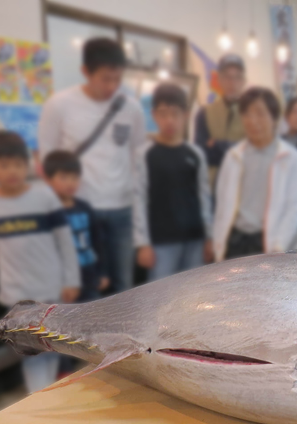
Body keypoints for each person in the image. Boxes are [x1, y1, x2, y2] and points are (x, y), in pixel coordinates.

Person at [38, 37, 147, 294]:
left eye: (117, 79)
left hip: (122, 209)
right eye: (105, 78)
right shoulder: (59, 105)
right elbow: (48, 160)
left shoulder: (131, 108)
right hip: (79, 211)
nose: (112, 86)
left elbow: (137, 157)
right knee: (86, 288)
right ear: (85, 71)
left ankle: (123, 334)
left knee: (124, 286)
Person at [0, 131, 79, 393]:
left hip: (49, 289)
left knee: (51, 346)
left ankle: (48, 392)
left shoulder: (44, 197)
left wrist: (71, 279)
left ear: (28, 164)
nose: (12, 171)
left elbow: (65, 241)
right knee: (29, 350)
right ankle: (39, 395)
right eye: (4, 165)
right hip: (15, 294)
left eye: (18, 164)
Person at [213, 87, 297, 261]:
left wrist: (278, 246)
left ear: (274, 118)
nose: (253, 121)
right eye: (247, 114)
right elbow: (222, 205)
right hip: (234, 240)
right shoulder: (233, 156)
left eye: (260, 114)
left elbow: (293, 208)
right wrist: (218, 244)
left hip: (266, 242)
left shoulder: (291, 158)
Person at [134, 83, 213, 282]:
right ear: (153, 115)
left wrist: (209, 237)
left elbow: (204, 197)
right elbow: (138, 198)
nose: (169, 120)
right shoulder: (144, 154)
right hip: (161, 243)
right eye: (163, 114)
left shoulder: (195, 154)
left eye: (175, 114)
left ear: (186, 115)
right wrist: (142, 243)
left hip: (195, 239)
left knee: (195, 296)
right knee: (160, 301)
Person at [44, 151, 108, 302]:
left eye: (74, 177)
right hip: (59, 283)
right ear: (48, 180)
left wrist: (102, 272)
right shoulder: (46, 212)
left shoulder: (84, 208)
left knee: (92, 317)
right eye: (64, 177)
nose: (70, 183)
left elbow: (98, 241)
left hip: (88, 277)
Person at [194, 54, 247, 191]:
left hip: (244, 185)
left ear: (243, 81)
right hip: (213, 187)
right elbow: (202, 154)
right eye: (227, 77)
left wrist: (217, 144)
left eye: (237, 78)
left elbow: (252, 151)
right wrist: (237, 147)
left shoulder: (251, 113)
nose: (232, 83)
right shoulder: (204, 113)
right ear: (219, 80)